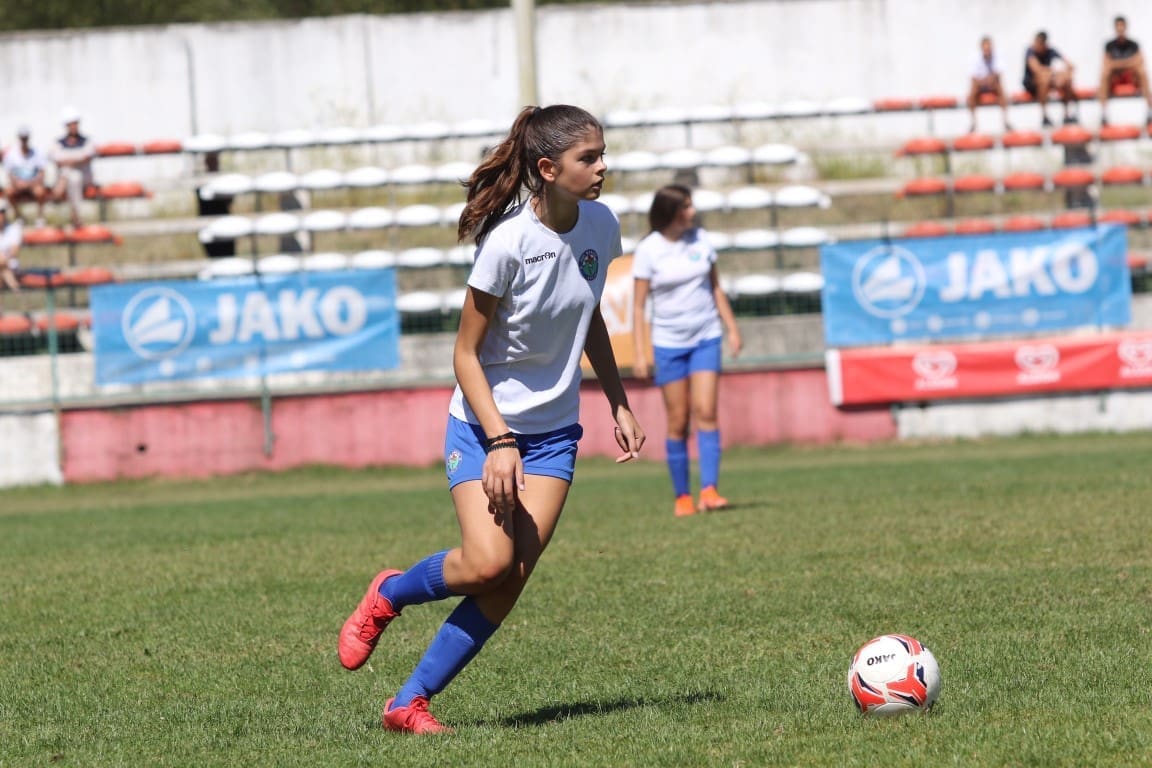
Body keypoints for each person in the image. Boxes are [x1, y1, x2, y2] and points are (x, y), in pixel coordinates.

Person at [336, 104, 645, 735]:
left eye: (602, 155)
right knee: (485, 565)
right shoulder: (507, 243)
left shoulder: (603, 225)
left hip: (554, 434)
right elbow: (464, 354)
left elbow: (586, 315)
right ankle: (390, 593)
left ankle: (408, 703)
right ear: (548, 168)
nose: (601, 168)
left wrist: (618, 400)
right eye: (588, 158)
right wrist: (501, 439)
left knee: (510, 579)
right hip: (484, 427)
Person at [630, 184, 742, 518]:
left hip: (706, 337)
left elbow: (716, 288)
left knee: (706, 412)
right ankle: (682, 496)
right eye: (687, 206)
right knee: (678, 421)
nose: (692, 212)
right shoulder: (649, 250)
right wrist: (640, 353)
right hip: (669, 344)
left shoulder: (701, 240)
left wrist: (732, 328)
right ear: (671, 212)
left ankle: (710, 490)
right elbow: (639, 307)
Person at [1098, 15, 1152, 126]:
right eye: (1118, 25)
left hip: (1130, 78)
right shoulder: (1109, 45)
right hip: (1116, 79)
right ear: (1115, 27)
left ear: (1126, 27)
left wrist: (1117, 64)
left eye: (1122, 25)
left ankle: (1149, 111)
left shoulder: (1134, 44)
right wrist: (1128, 63)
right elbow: (1106, 63)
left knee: (1142, 72)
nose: (1120, 28)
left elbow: (1139, 61)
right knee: (1105, 73)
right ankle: (1103, 113)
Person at [49, 107, 96, 229]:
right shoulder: (59, 142)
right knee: (72, 176)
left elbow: (86, 157)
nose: (74, 126)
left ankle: (73, 212)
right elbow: (56, 159)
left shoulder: (87, 141)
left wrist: (67, 159)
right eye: (71, 124)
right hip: (69, 179)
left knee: (73, 176)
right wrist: (76, 158)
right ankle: (75, 216)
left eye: (75, 123)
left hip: (83, 179)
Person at [1022, 31, 1077, 127]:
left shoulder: (1050, 51)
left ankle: (1066, 115)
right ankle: (1044, 117)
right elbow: (1036, 69)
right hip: (1032, 84)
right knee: (1044, 80)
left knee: (1066, 81)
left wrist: (1063, 75)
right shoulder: (1030, 51)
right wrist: (1054, 73)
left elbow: (1070, 65)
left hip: (1049, 80)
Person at [3, 127, 49, 227]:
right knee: (9, 192)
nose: (24, 141)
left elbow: (42, 173)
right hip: (17, 185)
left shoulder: (37, 153)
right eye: (22, 138)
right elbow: (9, 174)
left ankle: (40, 218)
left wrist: (30, 184)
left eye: (25, 138)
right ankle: (18, 217)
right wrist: (17, 184)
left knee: (40, 191)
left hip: (33, 185)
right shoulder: (11, 154)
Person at [967, 36, 1012, 133]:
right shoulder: (974, 58)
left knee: (1001, 89)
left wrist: (989, 80)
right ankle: (973, 123)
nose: (987, 51)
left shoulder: (997, 56)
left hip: (993, 84)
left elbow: (998, 74)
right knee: (972, 92)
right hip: (980, 85)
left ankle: (1005, 121)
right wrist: (984, 81)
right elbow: (973, 78)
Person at [0, 202, 24, 306]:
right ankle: (16, 290)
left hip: (11, 265)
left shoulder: (14, 228)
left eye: (2, 212)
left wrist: (3, 259)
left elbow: (14, 252)